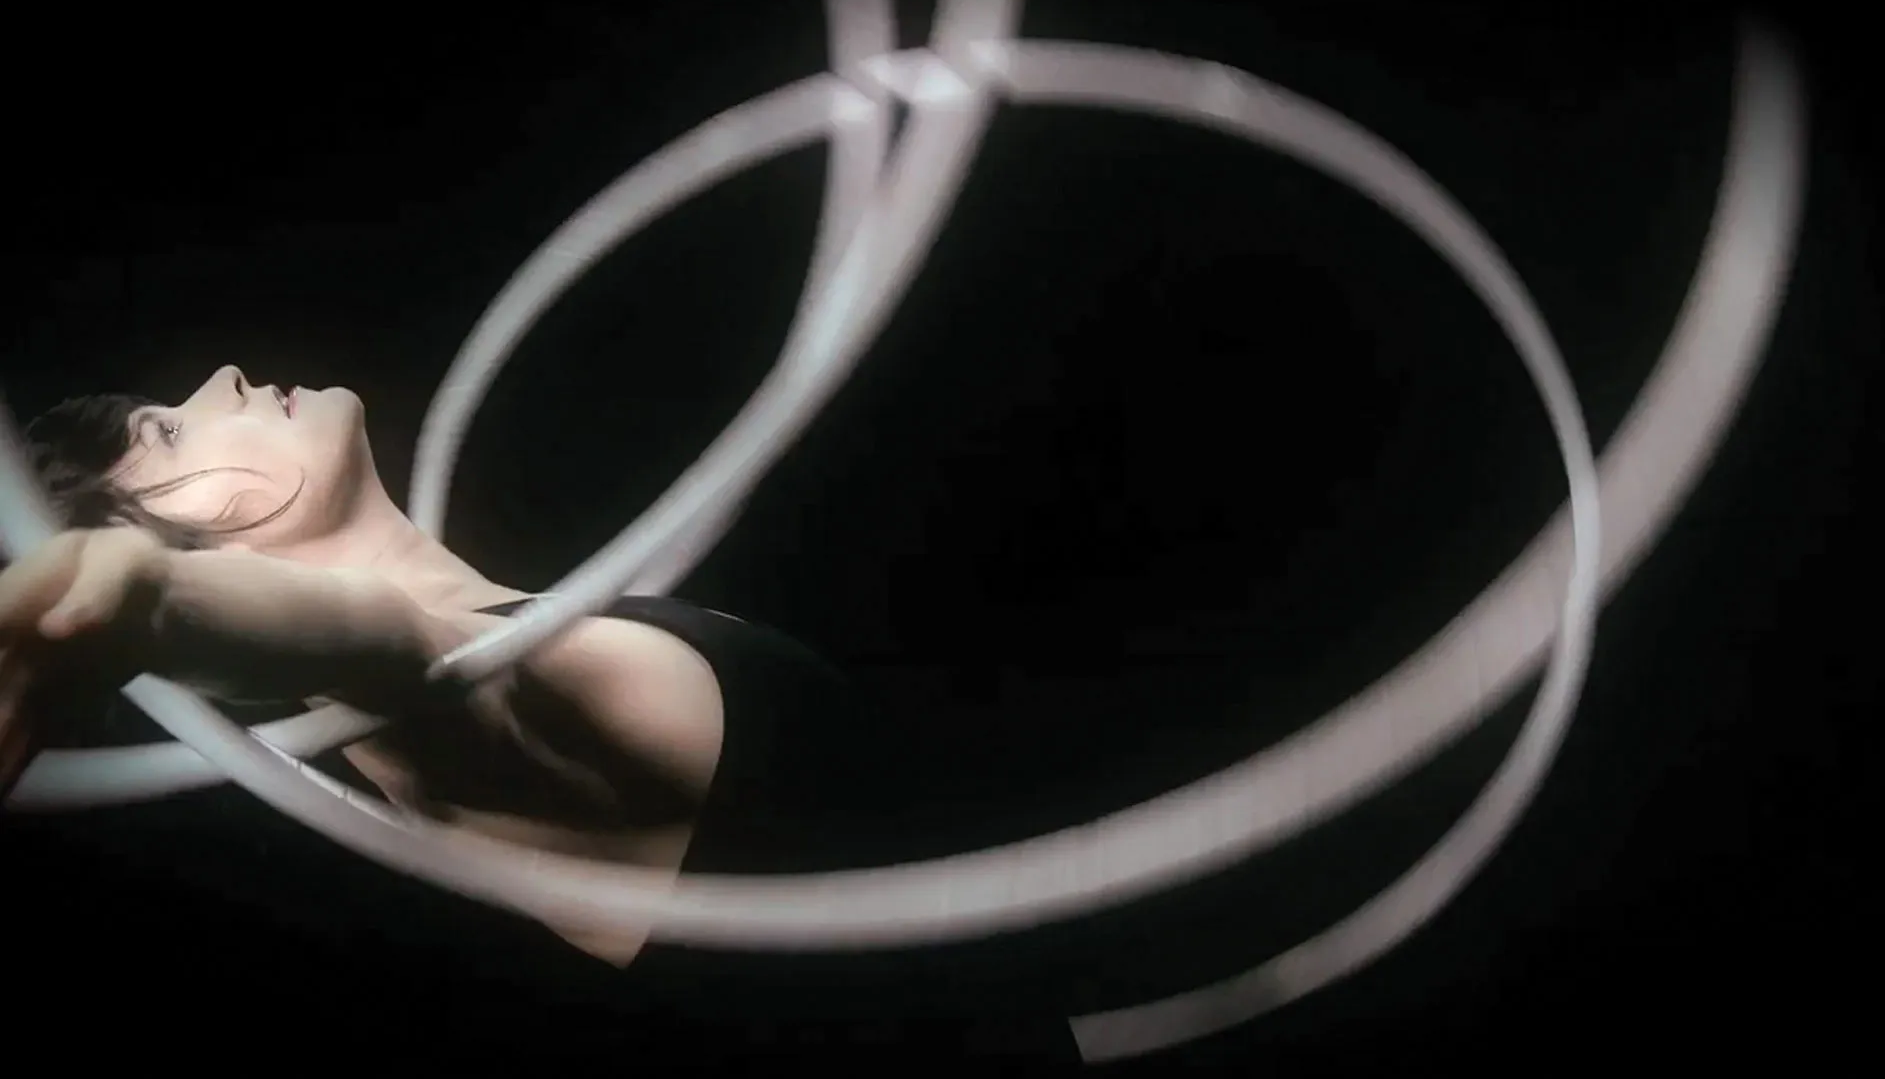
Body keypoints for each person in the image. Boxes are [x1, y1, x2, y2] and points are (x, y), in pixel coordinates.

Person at [0, 364, 1081, 1064]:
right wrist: (150, 601)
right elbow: (395, 652)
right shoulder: (444, 723)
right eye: (170, 434)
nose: (217, 378)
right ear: (186, 547)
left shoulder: (522, 631)